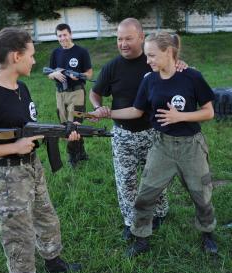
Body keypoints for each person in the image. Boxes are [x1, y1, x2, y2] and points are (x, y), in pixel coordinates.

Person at [0, 28, 81, 273]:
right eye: (32, 55)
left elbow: (28, 128)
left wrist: (61, 132)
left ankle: (53, 261)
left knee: (46, 216)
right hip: (8, 176)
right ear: (16, 56)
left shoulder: (21, 88)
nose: (34, 60)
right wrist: (14, 147)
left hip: (32, 167)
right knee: (18, 233)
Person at [92, 32, 218, 257]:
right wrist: (106, 113)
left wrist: (181, 117)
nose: (147, 61)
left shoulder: (192, 77)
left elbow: (209, 112)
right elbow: (136, 110)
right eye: (147, 55)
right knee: (146, 195)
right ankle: (141, 239)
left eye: (152, 55)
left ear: (168, 52)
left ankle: (207, 234)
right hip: (162, 145)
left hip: (191, 146)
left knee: (202, 195)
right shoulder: (149, 79)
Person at [89, 18, 173, 240]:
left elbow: (174, 70)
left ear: (141, 37)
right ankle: (130, 222)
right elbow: (95, 92)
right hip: (123, 134)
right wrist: (98, 107)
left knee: (155, 178)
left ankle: (160, 213)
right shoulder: (112, 67)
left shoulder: (152, 62)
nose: (123, 43)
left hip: (152, 132)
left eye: (128, 38)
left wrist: (179, 65)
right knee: (126, 182)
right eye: (119, 39)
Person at [47, 23, 93, 167]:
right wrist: (53, 74)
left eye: (65, 35)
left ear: (70, 34)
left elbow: (89, 73)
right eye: (59, 36)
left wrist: (78, 75)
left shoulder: (81, 52)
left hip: (76, 92)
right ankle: (81, 153)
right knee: (63, 124)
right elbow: (48, 73)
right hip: (60, 94)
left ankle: (72, 156)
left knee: (73, 125)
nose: (62, 38)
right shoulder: (55, 53)